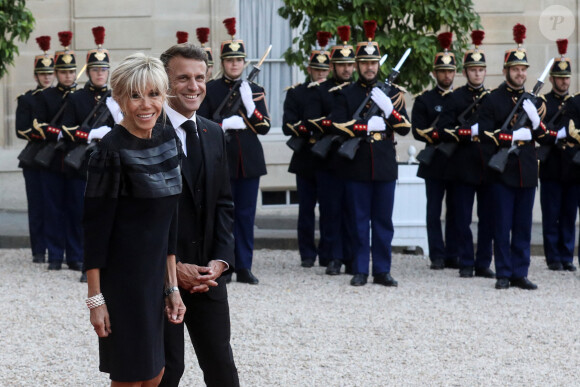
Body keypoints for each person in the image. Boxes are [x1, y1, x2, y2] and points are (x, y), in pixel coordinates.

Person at [84, 53, 186, 385]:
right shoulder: (109, 150)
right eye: (135, 95)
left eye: (154, 94)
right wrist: (96, 300)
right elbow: (95, 231)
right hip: (123, 284)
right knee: (132, 376)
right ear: (119, 98)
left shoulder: (169, 139)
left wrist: (171, 287)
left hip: (155, 282)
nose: (146, 105)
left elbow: (170, 222)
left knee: (156, 374)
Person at [158, 43, 239, 387]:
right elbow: (134, 219)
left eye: (200, 78)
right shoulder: (146, 133)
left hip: (208, 276)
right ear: (165, 82)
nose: (194, 86)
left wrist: (220, 262)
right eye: (184, 78)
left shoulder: (213, 132)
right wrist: (173, 269)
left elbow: (223, 204)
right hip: (159, 278)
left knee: (222, 368)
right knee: (167, 371)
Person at [331, 20, 411, 286]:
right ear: (357, 65)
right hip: (358, 163)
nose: (369, 67)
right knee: (358, 220)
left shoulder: (393, 94)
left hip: (385, 163)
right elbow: (339, 125)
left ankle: (382, 270)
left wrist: (389, 110)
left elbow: (404, 127)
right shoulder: (348, 93)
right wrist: (366, 125)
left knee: (383, 222)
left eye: (373, 62)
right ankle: (359, 269)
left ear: (379, 65)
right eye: (364, 63)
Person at [478, 24, 555, 290]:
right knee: (502, 225)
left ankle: (520, 272)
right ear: (506, 70)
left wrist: (536, 121)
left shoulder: (535, 101)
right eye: (515, 69)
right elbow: (485, 135)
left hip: (526, 169)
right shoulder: (492, 100)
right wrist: (508, 137)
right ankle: (503, 272)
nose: (520, 73)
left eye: (523, 70)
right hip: (502, 170)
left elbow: (545, 139)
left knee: (523, 225)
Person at [198, 17, 271, 284]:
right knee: (222, 215)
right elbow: (201, 125)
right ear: (223, 62)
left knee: (245, 215)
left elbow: (264, 126)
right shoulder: (211, 89)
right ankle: (224, 266)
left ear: (244, 62)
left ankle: (244, 266)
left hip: (248, 159)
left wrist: (251, 109)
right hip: (220, 159)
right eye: (230, 61)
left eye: (239, 60)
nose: (234, 64)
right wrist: (222, 125)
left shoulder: (255, 89)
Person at [436, 30, 495, 279]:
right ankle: (466, 262)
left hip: (488, 164)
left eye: (480, 70)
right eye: (473, 70)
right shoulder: (455, 98)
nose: (477, 74)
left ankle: (483, 262)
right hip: (462, 163)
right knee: (461, 218)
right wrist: (465, 132)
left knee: (488, 218)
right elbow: (443, 129)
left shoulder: (493, 98)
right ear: (465, 72)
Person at [60, 26, 117, 283]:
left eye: (104, 69)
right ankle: (79, 258)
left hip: (106, 166)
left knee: (103, 215)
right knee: (78, 213)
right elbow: (66, 129)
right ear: (88, 71)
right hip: (81, 163)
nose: (100, 73)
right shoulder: (77, 98)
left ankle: (99, 262)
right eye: (95, 69)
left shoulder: (115, 98)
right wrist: (91, 135)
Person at [304, 25, 356, 275]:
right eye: (341, 65)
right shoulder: (321, 90)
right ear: (333, 67)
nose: (346, 69)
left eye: (350, 65)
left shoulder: (359, 92)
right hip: (329, 160)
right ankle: (333, 256)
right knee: (331, 211)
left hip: (355, 160)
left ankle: (352, 257)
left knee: (353, 211)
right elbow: (313, 119)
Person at [32, 31, 80, 271]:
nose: (68, 76)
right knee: (52, 209)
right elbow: (39, 125)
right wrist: (61, 132)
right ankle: (54, 256)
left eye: (72, 72)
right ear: (57, 73)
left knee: (75, 209)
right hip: (52, 160)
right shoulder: (46, 96)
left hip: (75, 162)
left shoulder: (81, 96)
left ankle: (74, 255)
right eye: (63, 72)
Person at [282, 31, 331, 268]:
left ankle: (328, 253)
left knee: (330, 209)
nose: (320, 73)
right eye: (316, 69)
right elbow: (288, 125)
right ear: (309, 69)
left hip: (329, 156)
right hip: (305, 156)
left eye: (324, 70)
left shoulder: (335, 93)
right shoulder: (297, 93)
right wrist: (307, 127)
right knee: (306, 211)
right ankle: (307, 254)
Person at [411, 32, 459, 270]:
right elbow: (417, 130)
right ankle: (437, 255)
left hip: (457, 161)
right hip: (434, 161)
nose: (447, 75)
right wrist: (438, 134)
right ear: (435, 73)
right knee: (433, 212)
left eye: (450, 71)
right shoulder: (425, 100)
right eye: (442, 71)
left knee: (455, 211)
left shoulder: (463, 98)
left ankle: (453, 254)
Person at [15, 35, 55, 264]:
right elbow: (21, 130)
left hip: (57, 157)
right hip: (35, 158)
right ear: (36, 76)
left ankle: (56, 248)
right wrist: (43, 131)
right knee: (38, 205)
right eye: (43, 74)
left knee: (56, 206)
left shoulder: (63, 98)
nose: (47, 78)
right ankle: (39, 249)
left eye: (50, 74)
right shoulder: (28, 100)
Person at [539, 39, 577, 272]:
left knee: (569, 215)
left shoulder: (575, 103)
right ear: (552, 79)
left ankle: (567, 256)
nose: (564, 82)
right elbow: (540, 131)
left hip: (572, 166)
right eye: (560, 78)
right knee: (551, 214)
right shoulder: (544, 103)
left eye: (567, 78)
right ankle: (553, 257)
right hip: (552, 164)